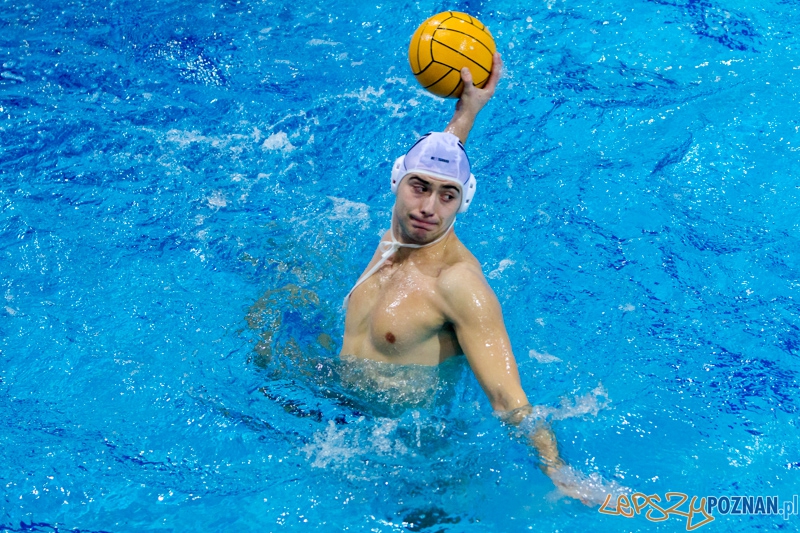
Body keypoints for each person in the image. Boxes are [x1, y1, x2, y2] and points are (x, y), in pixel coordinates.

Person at [340, 53, 577, 499]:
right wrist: (466, 113)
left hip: (409, 456)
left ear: (462, 202)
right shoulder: (395, 237)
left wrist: (558, 470)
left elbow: (509, 399)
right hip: (338, 409)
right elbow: (438, 165)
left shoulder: (456, 285)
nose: (429, 208)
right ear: (398, 182)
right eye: (419, 188)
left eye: (447, 196)